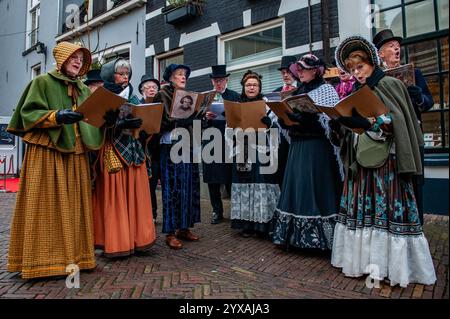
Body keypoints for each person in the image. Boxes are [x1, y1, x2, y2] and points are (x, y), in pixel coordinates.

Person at [331, 35, 436, 287]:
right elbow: (349, 131)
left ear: (372, 63)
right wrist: (343, 122)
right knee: (365, 212)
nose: (357, 73)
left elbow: (396, 124)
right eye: (352, 70)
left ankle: (393, 266)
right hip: (362, 162)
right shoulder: (355, 92)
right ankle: (365, 262)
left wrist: (371, 122)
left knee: (388, 211)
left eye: (361, 67)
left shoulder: (390, 84)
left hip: (387, 164)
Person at [7, 41, 104, 279]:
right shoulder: (41, 82)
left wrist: (110, 120)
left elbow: (92, 120)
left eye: (81, 59)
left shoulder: (82, 89)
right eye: (74, 58)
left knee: (74, 206)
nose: (78, 62)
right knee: (46, 205)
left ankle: (76, 258)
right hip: (48, 153)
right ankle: (40, 262)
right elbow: (27, 114)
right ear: (62, 59)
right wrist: (56, 116)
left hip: (77, 155)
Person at [270, 54, 343, 250]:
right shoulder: (297, 90)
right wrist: (284, 119)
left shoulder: (326, 90)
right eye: (298, 68)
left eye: (304, 68)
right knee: (296, 188)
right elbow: (286, 120)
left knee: (314, 189)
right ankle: (292, 237)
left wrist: (311, 117)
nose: (299, 71)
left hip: (316, 148)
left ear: (316, 70)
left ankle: (318, 239)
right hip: (297, 147)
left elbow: (332, 122)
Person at [92, 58, 156, 258]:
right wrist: (114, 126)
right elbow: (94, 125)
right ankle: (117, 241)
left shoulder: (135, 98)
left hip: (135, 152)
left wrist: (145, 128)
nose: (125, 75)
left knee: (137, 195)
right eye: (120, 72)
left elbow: (147, 125)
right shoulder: (103, 97)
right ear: (111, 75)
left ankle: (139, 239)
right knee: (115, 196)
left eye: (127, 72)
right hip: (113, 150)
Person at [373, 29, 434, 225]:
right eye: (391, 46)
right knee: (392, 182)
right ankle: (393, 223)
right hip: (389, 139)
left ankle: (416, 226)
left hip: (412, 136)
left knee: (415, 179)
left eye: (398, 46)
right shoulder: (378, 78)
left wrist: (419, 98)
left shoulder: (414, 73)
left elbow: (428, 101)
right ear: (381, 53)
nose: (396, 49)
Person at [153, 64, 201, 250]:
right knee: (172, 188)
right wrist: (182, 119)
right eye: (179, 74)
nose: (183, 77)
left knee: (188, 187)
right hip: (170, 145)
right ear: (170, 78)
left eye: (184, 75)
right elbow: (160, 121)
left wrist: (200, 117)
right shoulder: (162, 94)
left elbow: (192, 123)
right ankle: (170, 232)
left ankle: (184, 227)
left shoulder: (189, 96)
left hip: (188, 144)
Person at [229, 70, 281, 238]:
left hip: (262, 149)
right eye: (248, 85)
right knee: (245, 185)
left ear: (259, 87)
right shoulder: (237, 105)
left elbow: (278, 129)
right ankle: (247, 224)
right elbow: (228, 131)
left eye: (255, 85)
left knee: (261, 184)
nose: (251, 88)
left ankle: (263, 225)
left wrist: (270, 124)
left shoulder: (267, 105)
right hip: (243, 148)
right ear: (244, 87)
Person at [203, 65, 240, 224]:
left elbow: (240, 118)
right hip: (211, 141)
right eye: (216, 80)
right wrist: (205, 118)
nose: (218, 83)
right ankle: (217, 211)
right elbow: (196, 120)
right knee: (213, 180)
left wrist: (229, 114)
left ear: (226, 80)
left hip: (229, 141)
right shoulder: (206, 97)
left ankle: (235, 212)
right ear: (212, 81)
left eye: (221, 80)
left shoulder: (234, 96)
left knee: (230, 177)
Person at [138, 75, 161, 223]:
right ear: (142, 91)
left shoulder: (162, 104)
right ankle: (151, 213)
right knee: (149, 185)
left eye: (154, 87)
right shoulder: (138, 106)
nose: (152, 90)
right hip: (145, 151)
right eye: (148, 87)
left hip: (161, 150)